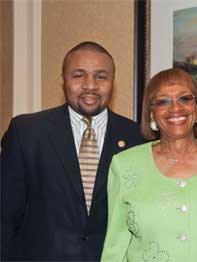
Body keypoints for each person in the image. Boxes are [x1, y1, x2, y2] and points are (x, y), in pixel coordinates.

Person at [0, 41, 145, 261]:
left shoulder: (137, 137)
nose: (90, 85)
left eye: (101, 76)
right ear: (63, 81)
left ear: (112, 82)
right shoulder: (27, 132)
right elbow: (5, 216)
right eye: (79, 75)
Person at [101, 68, 197, 261]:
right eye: (163, 101)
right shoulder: (125, 165)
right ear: (152, 114)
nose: (175, 108)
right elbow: (115, 246)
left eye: (185, 99)